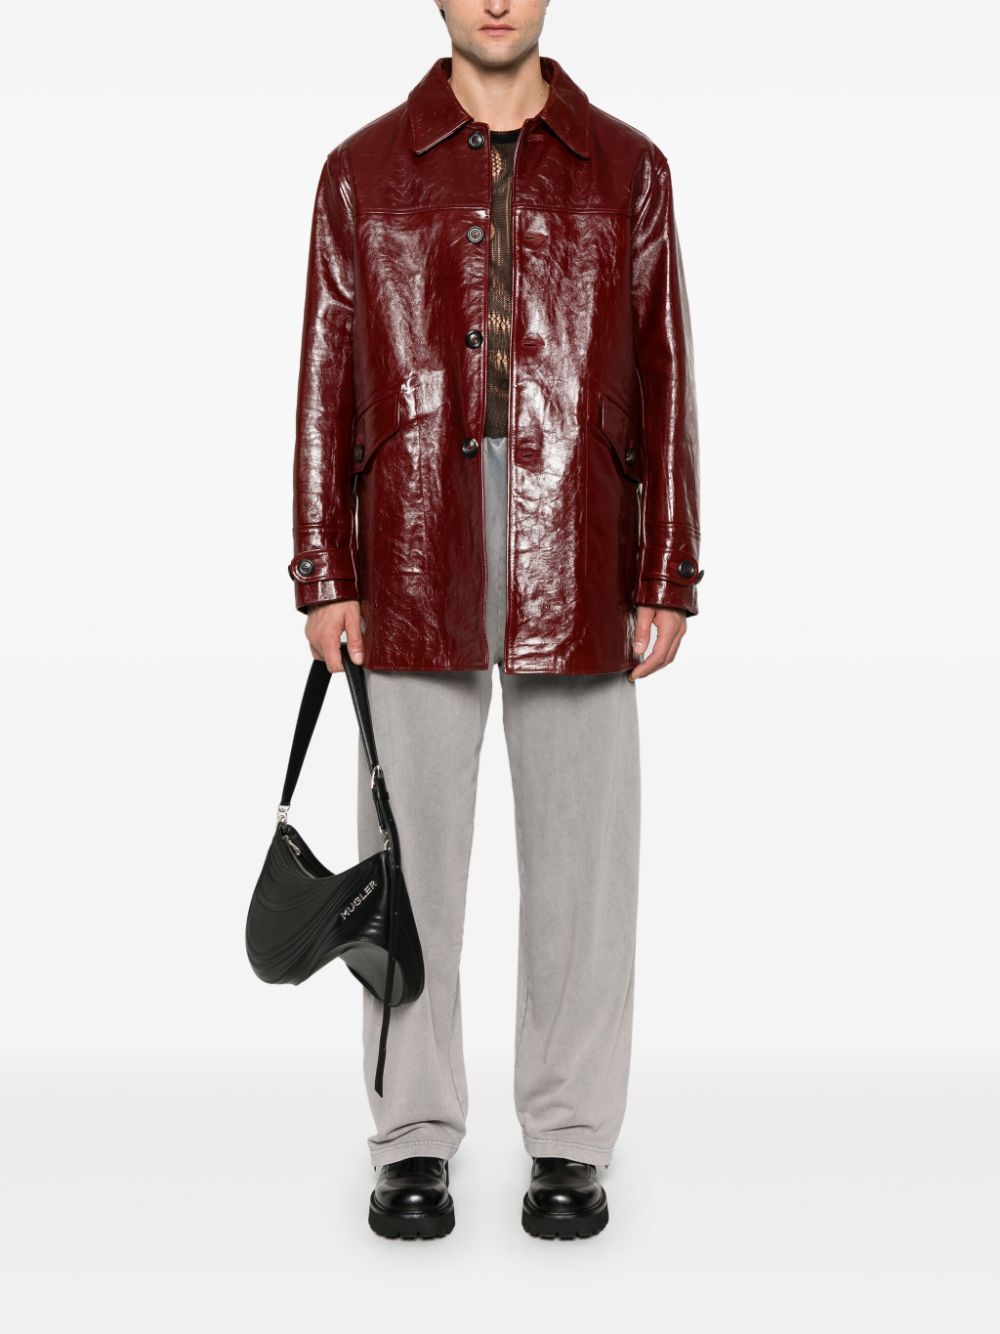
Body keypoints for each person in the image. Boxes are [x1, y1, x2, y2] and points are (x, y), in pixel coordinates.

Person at [287, 0, 702, 1241]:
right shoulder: (361, 171)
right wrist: (323, 566)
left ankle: (570, 1136)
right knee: (407, 860)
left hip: (577, 522)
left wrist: (666, 563)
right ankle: (411, 1132)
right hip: (413, 530)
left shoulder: (629, 168)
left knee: (583, 861)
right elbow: (323, 372)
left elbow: (666, 367)